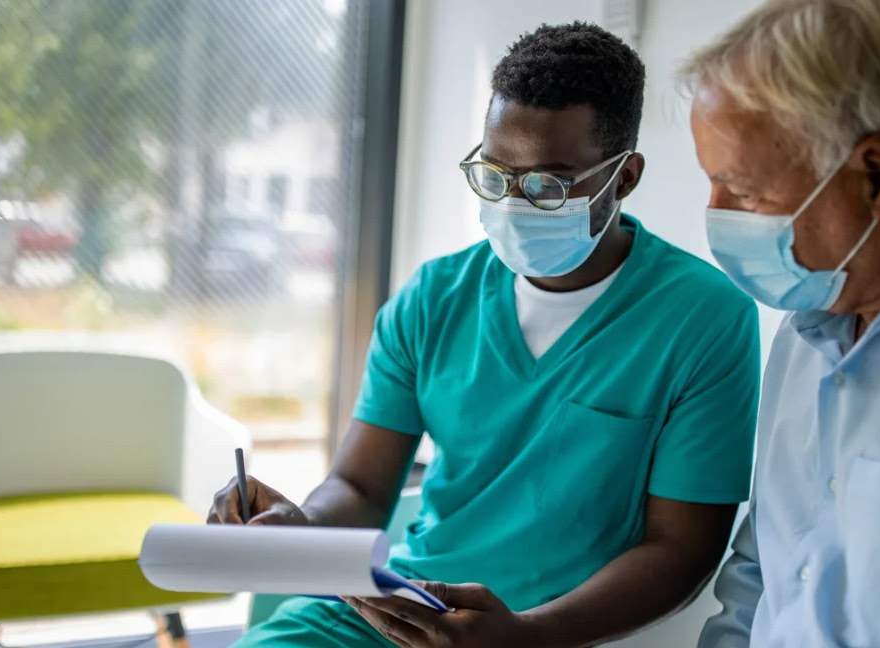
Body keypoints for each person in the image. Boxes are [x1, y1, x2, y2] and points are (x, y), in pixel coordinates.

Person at [212, 22, 760, 648]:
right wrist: (301, 524)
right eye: (496, 176)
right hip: (398, 610)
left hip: (556, 631)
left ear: (625, 177)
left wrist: (526, 634)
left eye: (549, 185)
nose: (515, 204)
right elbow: (361, 488)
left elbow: (682, 549)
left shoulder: (703, 319)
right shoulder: (433, 299)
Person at [681, 1, 880, 646]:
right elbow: (763, 572)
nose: (715, 218)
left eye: (743, 191)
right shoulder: (811, 318)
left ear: (879, 174)